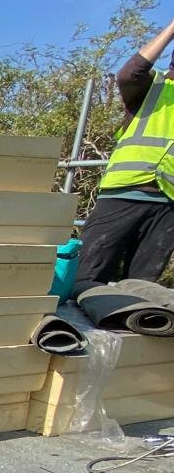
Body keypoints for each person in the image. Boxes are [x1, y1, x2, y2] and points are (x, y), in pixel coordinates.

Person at [74, 15, 174, 292]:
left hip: (168, 205)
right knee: (88, 277)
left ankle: (126, 332)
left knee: (142, 287)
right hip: (123, 194)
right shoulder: (154, 88)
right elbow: (130, 73)